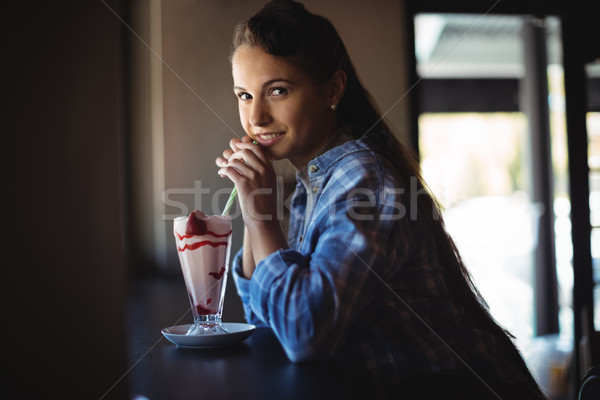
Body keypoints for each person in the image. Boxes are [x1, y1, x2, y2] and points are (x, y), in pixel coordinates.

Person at [216, 1, 547, 399]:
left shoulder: (362, 178)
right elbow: (267, 321)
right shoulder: (314, 184)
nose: (256, 118)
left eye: (277, 91)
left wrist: (259, 217)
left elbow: (304, 333)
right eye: (244, 95)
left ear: (333, 90)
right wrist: (260, 200)